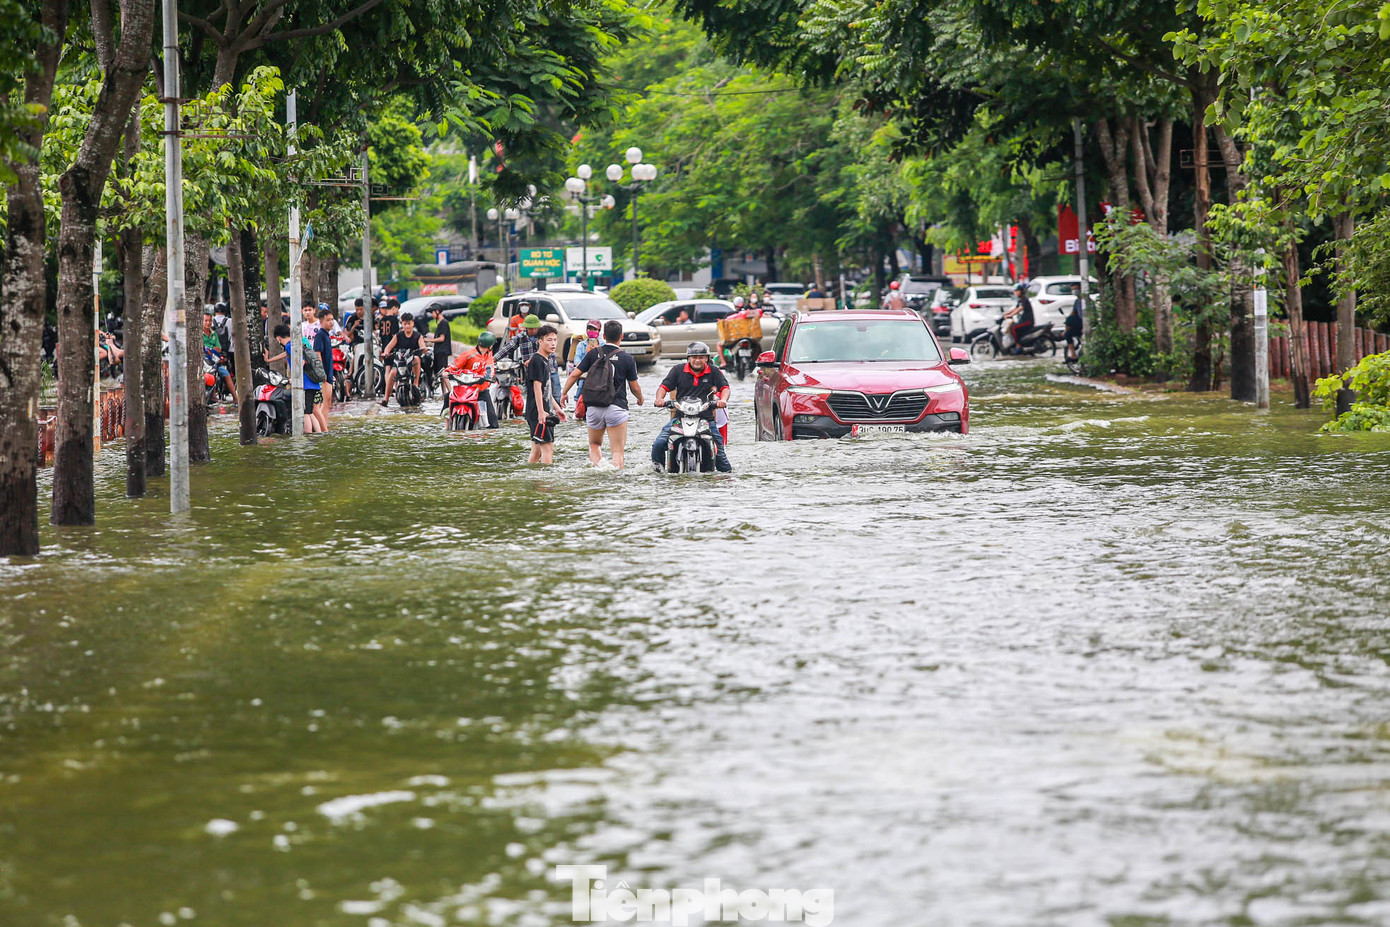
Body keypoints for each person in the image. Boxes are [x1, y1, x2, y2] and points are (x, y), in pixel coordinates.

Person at [563, 319, 643, 468]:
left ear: (604, 336)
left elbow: (574, 375)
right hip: (617, 408)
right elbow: (635, 387)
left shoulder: (593, 353)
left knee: (594, 444)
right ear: (622, 337)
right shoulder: (627, 359)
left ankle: (599, 468)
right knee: (617, 452)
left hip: (594, 407)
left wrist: (564, 393)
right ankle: (615, 476)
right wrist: (640, 398)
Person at [651, 341, 732, 473]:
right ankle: (658, 471)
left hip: (706, 419)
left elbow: (725, 388)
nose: (697, 360)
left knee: (720, 452)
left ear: (707, 358)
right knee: (659, 444)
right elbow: (663, 387)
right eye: (694, 357)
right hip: (680, 418)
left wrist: (722, 400)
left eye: (701, 357)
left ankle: (727, 478)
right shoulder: (677, 370)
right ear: (688, 358)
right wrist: (659, 399)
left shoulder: (714, 371)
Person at [264, 322, 323, 433]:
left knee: (305, 412)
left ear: (278, 338)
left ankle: (308, 435)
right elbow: (287, 354)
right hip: (312, 383)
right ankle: (318, 435)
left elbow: (301, 361)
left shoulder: (290, 346)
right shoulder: (294, 345)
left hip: (305, 383)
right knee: (309, 411)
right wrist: (269, 360)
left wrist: (295, 377)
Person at [524, 324, 566, 464]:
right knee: (548, 448)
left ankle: (533, 480)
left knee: (536, 451)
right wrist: (541, 412)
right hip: (538, 412)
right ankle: (545, 483)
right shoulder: (537, 360)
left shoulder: (545, 360)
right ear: (540, 341)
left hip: (541, 411)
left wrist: (557, 408)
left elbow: (546, 390)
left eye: (555, 340)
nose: (553, 343)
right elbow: (537, 387)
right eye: (549, 340)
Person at [444, 331, 499, 427]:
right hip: (464, 390)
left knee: (493, 422)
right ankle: (447, 423)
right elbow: (454, 365)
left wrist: (489, 377)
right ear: (490, 346)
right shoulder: (469, 354)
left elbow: (490, 370)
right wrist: (447, 371)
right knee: (447, 396)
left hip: (480, 390)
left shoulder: (489, 356)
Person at [380, 312, 425, 407]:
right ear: (402, 324)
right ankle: (386, 399)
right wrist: (386, 352)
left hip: (412, 362)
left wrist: (423, 350)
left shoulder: (418, 336)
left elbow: (422, 347)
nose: (407, 326)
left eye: (409, 323)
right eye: (405, 324)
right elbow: (388, 347)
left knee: (417, 358)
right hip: (401, 362)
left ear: (413, 323)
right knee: (392, 373)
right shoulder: (398, 336)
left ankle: (416, 383)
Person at [202, 311, 236, 401]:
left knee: (226, 374)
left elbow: (218, 348)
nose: (208, 323)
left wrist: (208, 349)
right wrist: (211, 349)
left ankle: (235, 398)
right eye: (205, 321)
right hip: (203, 363)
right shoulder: (198, 335)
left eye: (209, 321)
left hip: (213, 362)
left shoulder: (214, 334)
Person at [422, 303, 453, 394]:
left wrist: (429, 340)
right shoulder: (441, 323)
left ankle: (450, 392)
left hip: (442, 351)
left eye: (432, 312)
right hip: (439, 351)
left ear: (437, 311)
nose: (432, 315)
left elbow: (442, 338)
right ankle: (444, 393)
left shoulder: (443, 323)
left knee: (444, 373)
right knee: (441, 374)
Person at [1002, 281, 1035, 354]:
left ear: (1021, 291)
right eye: (1015, 291)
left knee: (1013, 328)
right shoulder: (1020, 300)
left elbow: (1019, 308)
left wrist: (1010, 315)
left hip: (1028, 321)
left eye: (1017, 291)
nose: (1016, 293)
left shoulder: (1024, 300)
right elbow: (1014, 308)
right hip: (1023, 320)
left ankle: (1018, 345)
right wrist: (1005, 314)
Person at [314, 307, 335, 414]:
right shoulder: (320, 335)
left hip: (329, 373)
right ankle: (323, 428)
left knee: (327, 403)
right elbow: (318, 354)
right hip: (325, 375)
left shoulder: (326, 335)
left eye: (332, 319)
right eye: (328, 320)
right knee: (325, 404)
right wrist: (322, 372)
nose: (331, 322)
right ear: (321, 321)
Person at [1065, 283, 1085, 362]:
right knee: (1068, 334)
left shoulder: (1085, 300)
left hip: (1085, 323)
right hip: (1079, 323)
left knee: (1070, 320)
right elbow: (1073, 312)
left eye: (1076, 289)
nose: (1074, 291)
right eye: (1073, 290)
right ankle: (1073, 355)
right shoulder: (1077, 301)